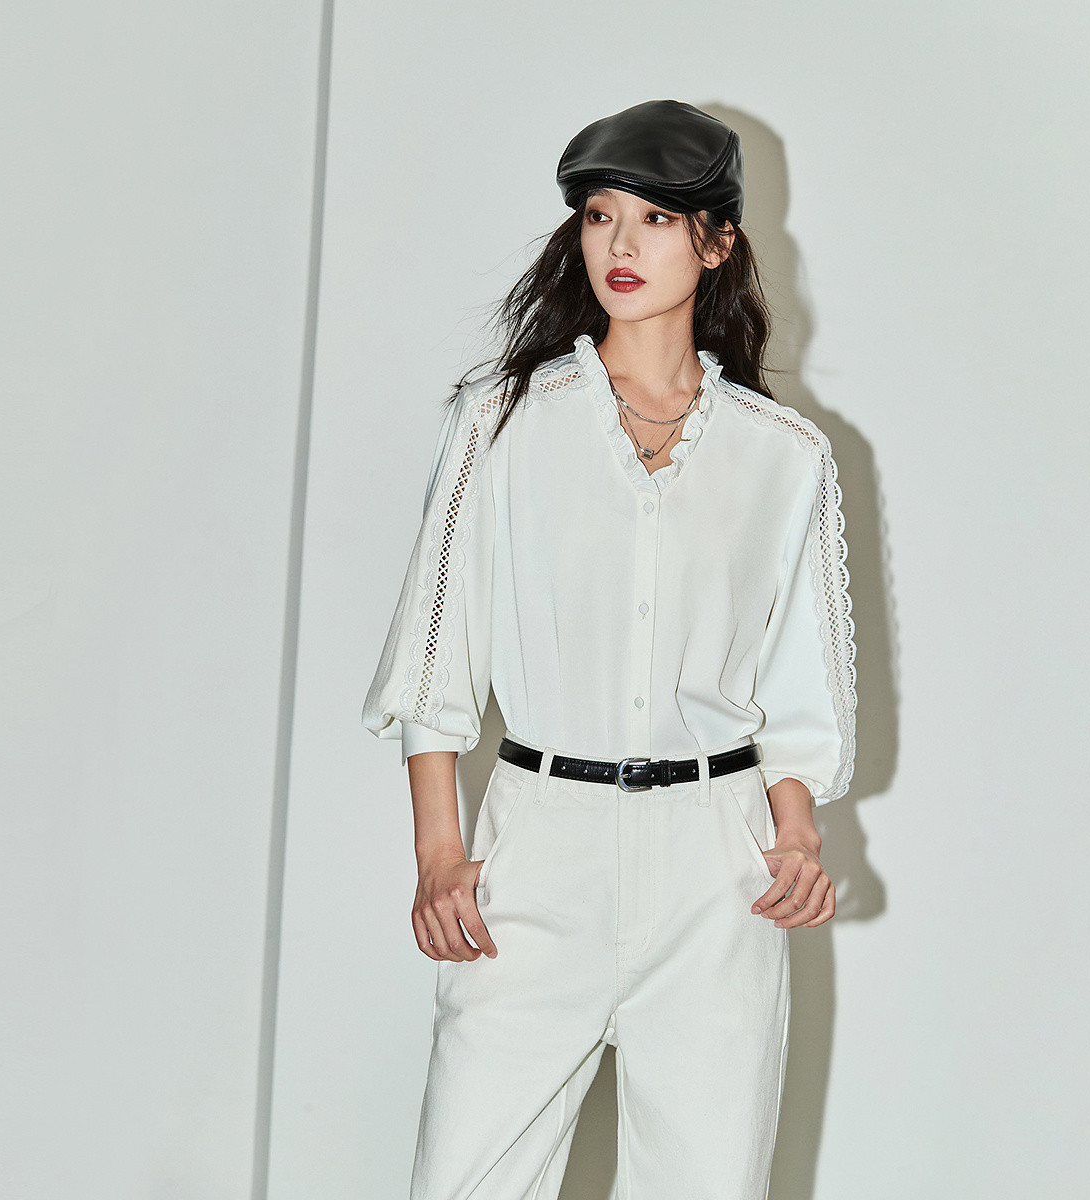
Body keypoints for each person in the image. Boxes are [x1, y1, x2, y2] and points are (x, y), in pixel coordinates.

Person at [361, 99, 857, 1200]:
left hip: (716, 873)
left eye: (656, 218)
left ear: (717, 242)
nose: (620, 244)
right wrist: (440, 854)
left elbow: (798, 688)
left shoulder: (784, 454)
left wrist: (794, 836)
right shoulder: (504, 420)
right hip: (540, 849)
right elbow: (436, 658)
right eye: (598, 215)